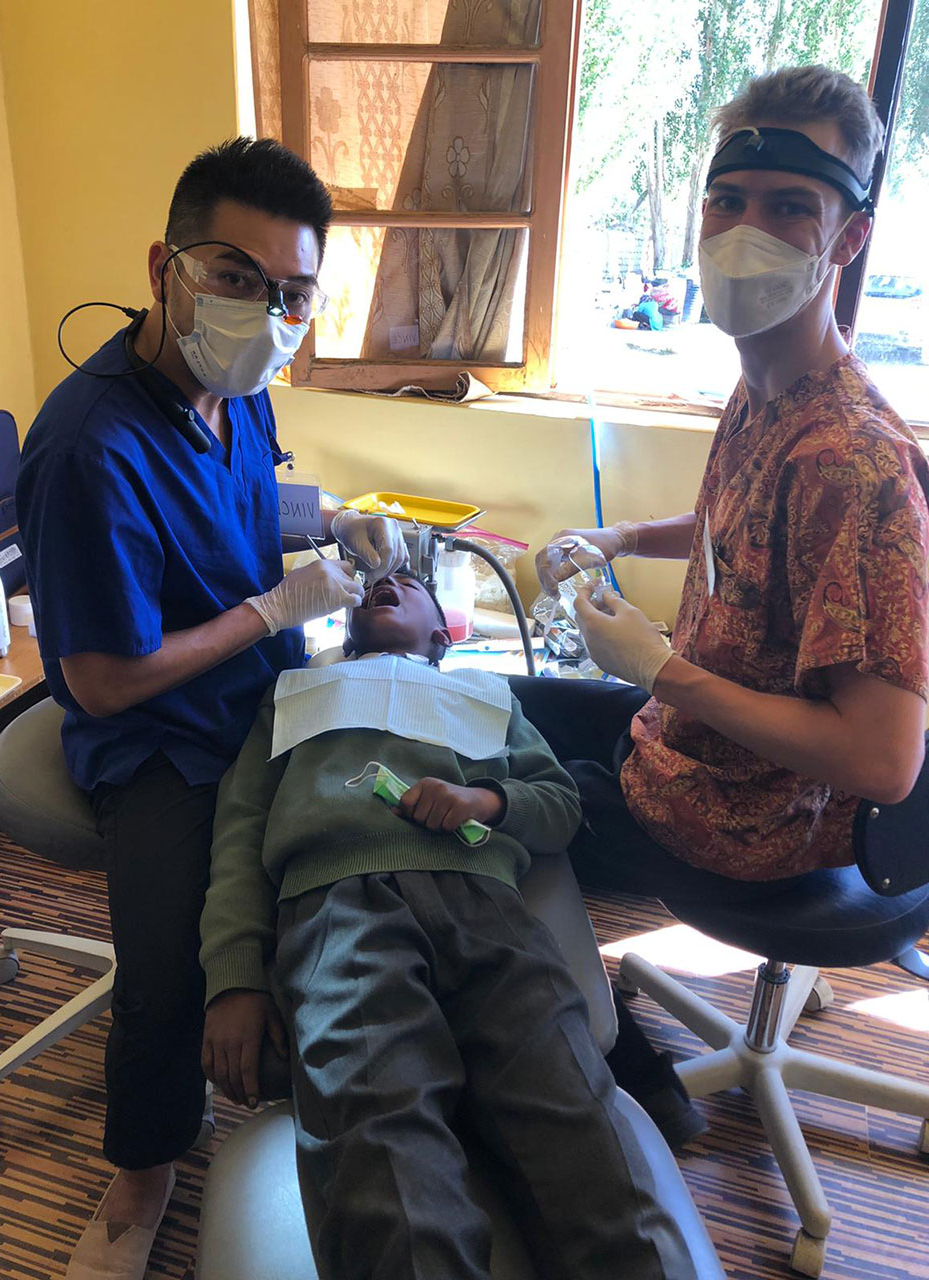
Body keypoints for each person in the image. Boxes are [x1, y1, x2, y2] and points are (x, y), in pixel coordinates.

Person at [17, 138, 408, 1280]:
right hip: (157, 737)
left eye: (290, 292)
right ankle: (142, 1170)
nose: (266, 311)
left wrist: (330, 519)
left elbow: (240, 502)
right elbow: (98, 679)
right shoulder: (87, 448)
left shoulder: (229, 392)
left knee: (364, 854)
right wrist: (276, 604)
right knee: (168, 963)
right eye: (236, 276)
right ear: (164, 268)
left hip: (261, 694)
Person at [527, 65, 929, 1141]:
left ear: (846, 240)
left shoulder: (851, 459)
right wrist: (616, 536)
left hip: (751, 813)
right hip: (693, 736)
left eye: (791, 205)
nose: (745, 230)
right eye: (729, 198)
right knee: (498, 712)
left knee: (500, 813)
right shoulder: (768, 387)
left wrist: (662, 669)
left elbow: (884, 760)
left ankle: (629, 1075)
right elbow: (731, 530)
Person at [199, 571, 707, 1280]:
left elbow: (558, 805)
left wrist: (486, 800)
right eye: (376, 582)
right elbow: (238, 832)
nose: (385, 581)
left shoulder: (486, 696)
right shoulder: (294, 694)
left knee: (574, 1118)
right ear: (344, 631)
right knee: (378, 1135)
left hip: (488, 912)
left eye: (407, 584)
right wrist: (233, 978)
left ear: (444, 635)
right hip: (338, 907)